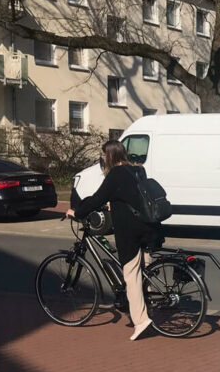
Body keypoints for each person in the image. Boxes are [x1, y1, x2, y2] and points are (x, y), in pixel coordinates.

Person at [66, 140, 163, 341]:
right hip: (148, 225)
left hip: (131, 230)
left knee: (131, 274)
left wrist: (77, 211)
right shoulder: (137, 170)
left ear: (109, 155)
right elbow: (132, 196)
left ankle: (141, 321)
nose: (102, 159)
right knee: (144, 267)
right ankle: (150, 308)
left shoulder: (116, 174)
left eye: (103, 155)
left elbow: (97, 198)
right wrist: (115, 204)